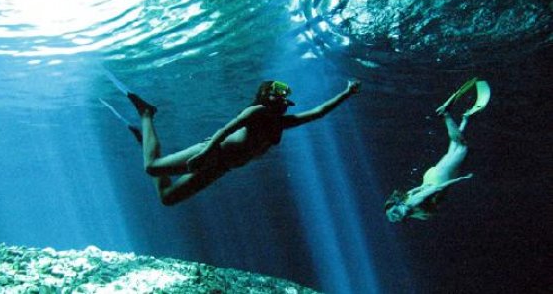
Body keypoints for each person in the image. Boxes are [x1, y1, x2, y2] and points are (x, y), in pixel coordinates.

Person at [101, 72, 361, 206]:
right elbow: (226, 129)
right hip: (212, 152)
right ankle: (147, 115)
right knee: (151, 168)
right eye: (277, 95)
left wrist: (348, 92)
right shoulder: (257, 112)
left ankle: (145, 141)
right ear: (266, 96)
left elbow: (318, 113)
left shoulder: (282, 123)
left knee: (168, 198)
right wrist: (204, 153)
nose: (283, 101)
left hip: (221, 167)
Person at [385, 78, 491, 222]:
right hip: (431, 177)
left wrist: (461, 180)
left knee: (462, 147)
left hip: (439, 178)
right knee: (455, 146)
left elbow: (438, 189)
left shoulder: (413, 204)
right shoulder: (409, 206)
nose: (399, 215)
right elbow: (416, 191)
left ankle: (445, 114)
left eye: (396, 214)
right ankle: (465, 119)